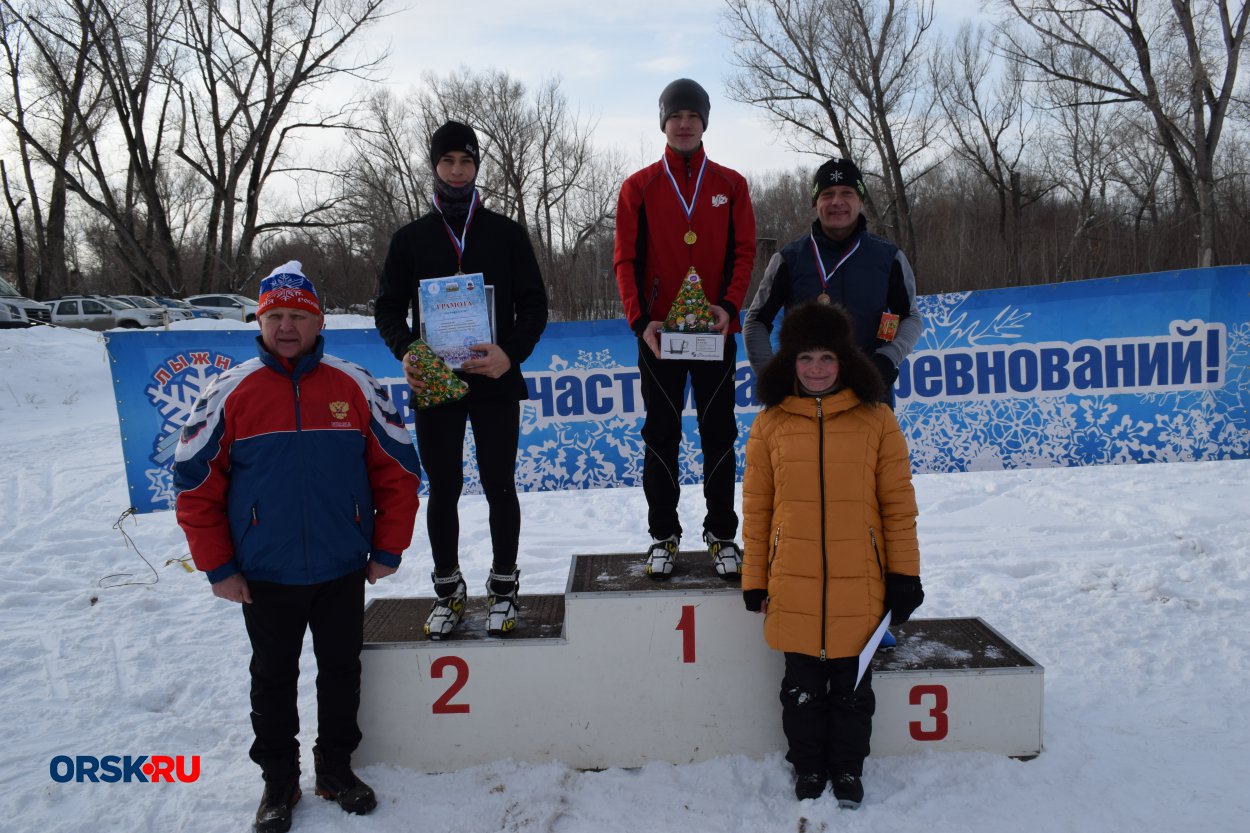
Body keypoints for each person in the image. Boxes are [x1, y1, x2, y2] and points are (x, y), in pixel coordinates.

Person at [173, 262, 422, 833]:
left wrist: (387, 548)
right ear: (260, 321)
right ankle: (278, 783)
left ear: (318, 321)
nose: (287, 327)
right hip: (265, 572)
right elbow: (193, 486)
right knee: (274, 678)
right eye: (275, 316)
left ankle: (335, 770)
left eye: (299, 316)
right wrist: (218, 566)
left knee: (341, 671)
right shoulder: (228, 391)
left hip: (340, 566)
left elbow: (399, 473)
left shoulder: (355, 383)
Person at [741, 301, 924, 806]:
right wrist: (754, 578)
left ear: (845, 360)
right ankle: (807, 769)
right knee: (800, 691)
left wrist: (904, 575)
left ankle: (846, 770)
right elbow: (757, 511)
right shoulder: (771, 424)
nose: (816, 369)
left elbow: (898, 507)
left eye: (826, 357)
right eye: (805, 358)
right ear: (789, 363)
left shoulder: (877, 420)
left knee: (852, 692)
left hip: (860, 583)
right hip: (792, 582)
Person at [375, 120, 548, 639]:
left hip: (493, 380)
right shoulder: (410, 239)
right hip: (436, 385)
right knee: (444, 488)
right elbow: (386, 308)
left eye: (466, 161)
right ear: (434, 167)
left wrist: (509, 355)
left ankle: (503, 589)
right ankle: (448, 591)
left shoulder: (506, 233)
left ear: (476, 168)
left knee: (500, 485)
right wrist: (407, 351)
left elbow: (535, 305)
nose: (457, 170)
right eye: (448, 161)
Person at [613, 78, 757, 580]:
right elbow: (625, 260)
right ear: (663, 122)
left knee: (720, 433)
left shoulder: (731, 185)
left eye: (693, 115)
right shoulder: (639, 186)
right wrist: (639, 319)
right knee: (661, 434)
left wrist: (729, 306)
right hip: (660, 335)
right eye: (675, 115)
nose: (684, 123)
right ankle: (663, 534)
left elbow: (744, 252)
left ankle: (721, 533)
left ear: (704, 122)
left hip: (714, 332)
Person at [743, 158, 923, 407]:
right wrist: (771, 374)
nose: (837, 202)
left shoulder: (888, 257)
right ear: (815, 203)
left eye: (847, 193)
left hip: (868, 392)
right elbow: (756, 321)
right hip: (803, 396)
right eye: (827, 194)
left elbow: (910, 317)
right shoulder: (789, 258)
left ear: (860, 200)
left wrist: (887, 358)